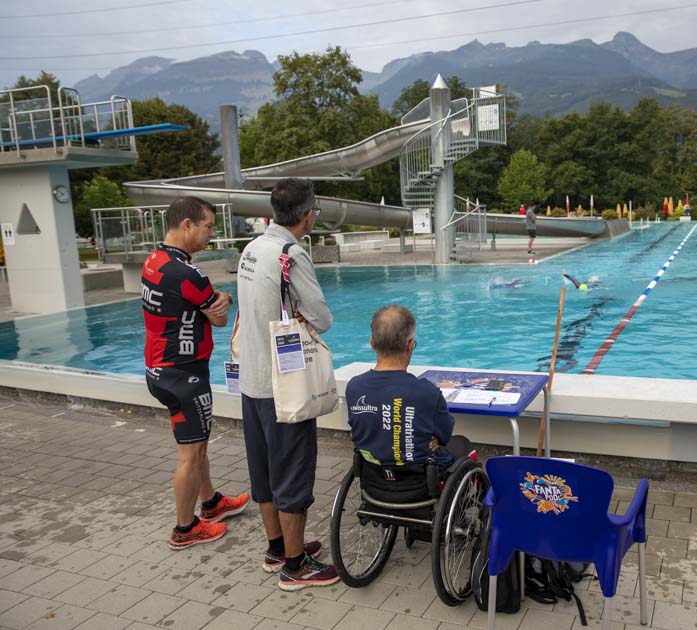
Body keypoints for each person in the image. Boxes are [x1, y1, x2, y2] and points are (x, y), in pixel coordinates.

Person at [236, 178, 339, 590]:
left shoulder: (252, 248)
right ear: (308, 214)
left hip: (252, 381)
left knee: (262, 472)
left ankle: (276, 547)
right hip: (284, 387)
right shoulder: (290, 254)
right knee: (293, 474)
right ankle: (295, 567)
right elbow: (322, 317)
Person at [141, 196, 249, 550]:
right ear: (187, 225)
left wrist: (208, 300)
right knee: (191, 454)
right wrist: (225, 300)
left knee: (196, 445)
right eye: (208, 226)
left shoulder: (155, 262)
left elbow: (192, 301)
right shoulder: (188, 273)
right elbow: (217, 318)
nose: (211, 234)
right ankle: (185, 528)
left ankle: (212, 502)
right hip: (183, 375)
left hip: (160, 369)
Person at [345, 305, 473, 473]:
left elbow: (364, 429)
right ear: (410, 344)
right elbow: (445, 434)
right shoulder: (427, 392)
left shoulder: (354, 387)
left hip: (373, 477)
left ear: (372, 342)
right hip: (420, 479)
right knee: (461, 444)